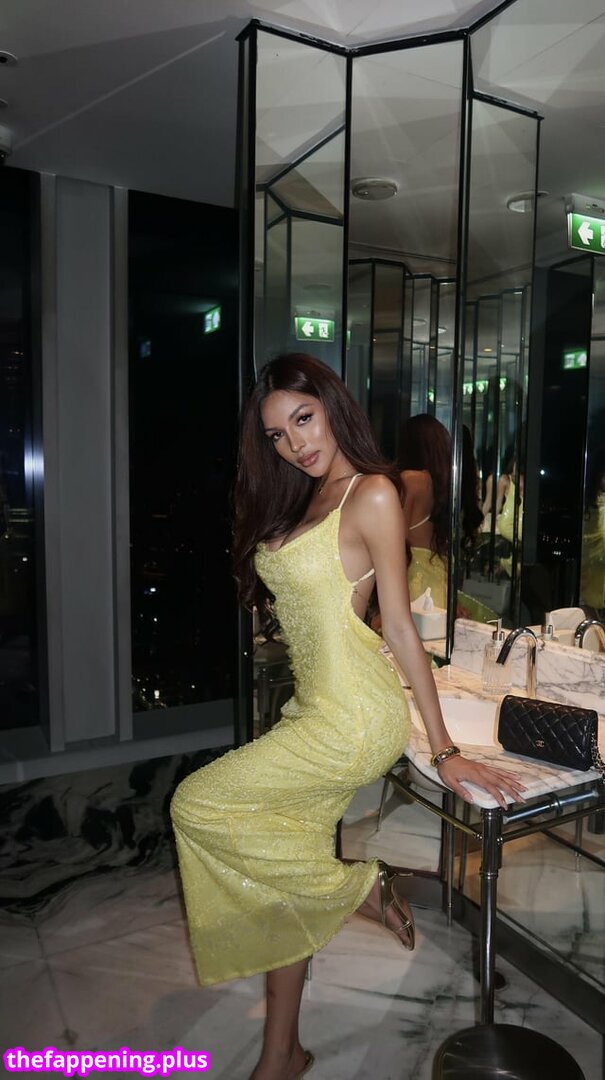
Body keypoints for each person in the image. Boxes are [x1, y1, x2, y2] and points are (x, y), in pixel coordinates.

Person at [170, 355, 524, 1080]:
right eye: (276, 434)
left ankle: (360, 886)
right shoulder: (304, 497)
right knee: (284, 877)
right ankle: (282, 1053)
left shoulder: (372, 493)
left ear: (332, 406)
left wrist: (444, 749)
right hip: (314, 707)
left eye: (303, 419)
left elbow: (400, 629)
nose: (294, 443)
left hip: (353, 716)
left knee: (196, 803)